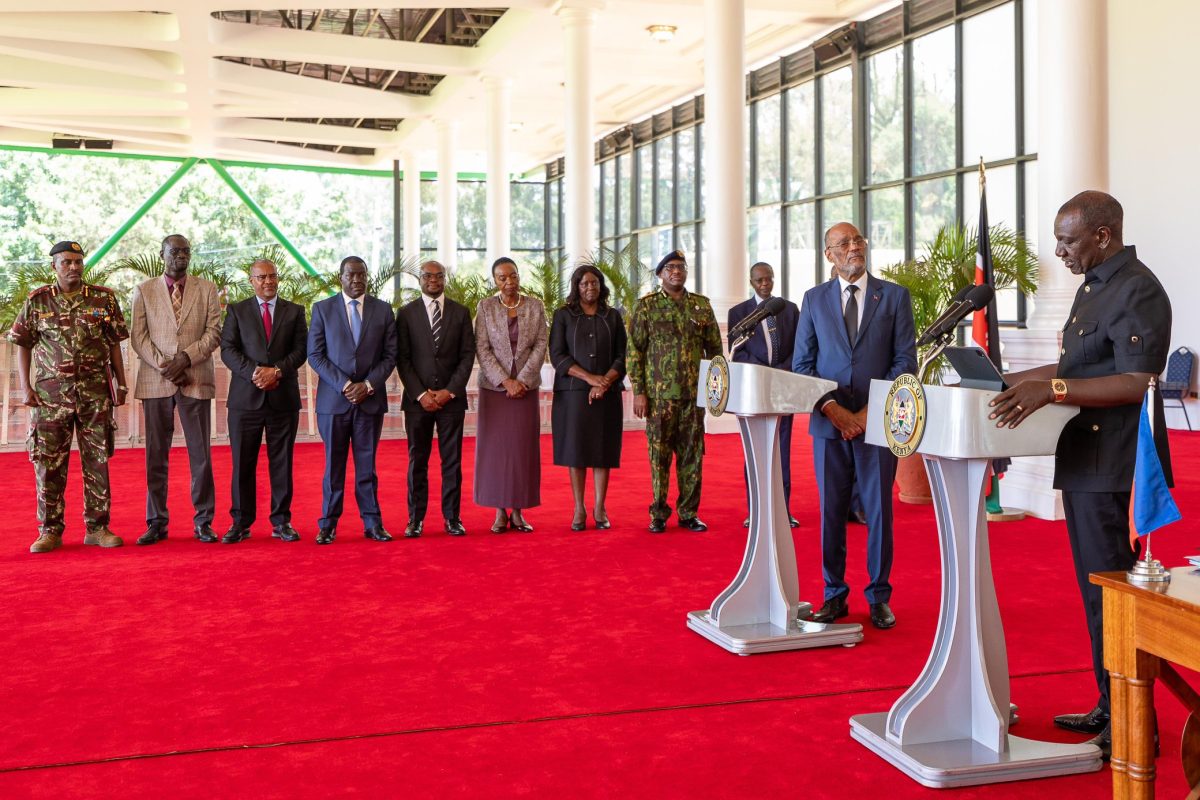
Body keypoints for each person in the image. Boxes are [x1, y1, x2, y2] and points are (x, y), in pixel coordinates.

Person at [988, 190, 1172, 758]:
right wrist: (1010, 380)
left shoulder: (1137, 288)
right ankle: (1110, 702)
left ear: (1102, 235)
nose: (1060, 251)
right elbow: (1076, 366)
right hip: (1083, 457)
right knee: (1095, 595)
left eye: (1068, 241)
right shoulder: (1094, 286)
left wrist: (1053, 389)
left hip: (1113, 461)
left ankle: (1135, 724)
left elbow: (1136, 381)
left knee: (1112, 596)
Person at [792, 223, 917, 629]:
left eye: (858, 240)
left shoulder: (894, 296)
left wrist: (865, 414)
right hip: (828, 424)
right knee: (831, 512)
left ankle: (879, 596)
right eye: (843, 243)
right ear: (829, 254)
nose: (853, 247)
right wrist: (835, 412)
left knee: (879, 511)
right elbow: (802, 365)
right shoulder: (813, 299)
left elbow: (904, 363)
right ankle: (834, 595)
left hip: (877, 425)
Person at [9, 241, 129, 552]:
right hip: (50, 397)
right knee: (48, 463)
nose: (73, 267)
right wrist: (25, 387)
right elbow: (22, 343)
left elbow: (115, 343)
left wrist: (122, 383)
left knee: (97, 460)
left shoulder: (103, 299)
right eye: (66, 262)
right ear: (54, 266)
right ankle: (49, 530)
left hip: (95, 394)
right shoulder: (38, 300)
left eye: (77, 261)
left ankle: (98, 528)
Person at [130, 233, 222, 544]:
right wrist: (166, 367)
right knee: (156, 455)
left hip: (195, 378)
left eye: (185, 251)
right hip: (156, 381)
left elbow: (213, 332)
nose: (180, 256)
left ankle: (204, 521)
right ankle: (156, 522)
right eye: (174, 251)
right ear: (162, 255)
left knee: (201, 455)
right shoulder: (143, 290)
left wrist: (185, 359)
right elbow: (138, 337)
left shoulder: (207, 289)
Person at [627, 250, 722, 533]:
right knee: (659, 457)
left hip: (694, 397)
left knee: (692, 455)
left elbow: (715, 351)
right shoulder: (647, 306)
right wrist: (639, 391)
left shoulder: (701, 306)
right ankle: (658, 513)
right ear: (660, 274)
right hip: (659, 398)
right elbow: (635, 351)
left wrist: (714, 391)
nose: (676, 271)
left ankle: (688, 513)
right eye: (670, 267)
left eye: (681, 266)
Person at [307, 256, 398, 545]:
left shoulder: (383, 310)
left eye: (362, 275)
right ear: (341, 277)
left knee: (367, 466)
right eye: (351, 275)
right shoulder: (322, 309)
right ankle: (328, 524)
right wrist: (346, 385)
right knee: (333, 466)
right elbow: (315, 355)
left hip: (369, 401)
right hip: (334, 402)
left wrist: (368, 385)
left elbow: (390, 356)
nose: (357, 280)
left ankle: (372, 523)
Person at [218, 258, 308, 544]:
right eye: (261, 277)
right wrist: (255, 372)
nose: (268, 281)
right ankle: (240, 522)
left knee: (282, 462)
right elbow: (227, 349)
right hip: (245, 400)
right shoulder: (237, 310)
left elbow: (301, 350)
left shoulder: (294, 311)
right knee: (242, 464)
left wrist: (276, 371)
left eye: (272, 276)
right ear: (252, 281)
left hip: (283, 398)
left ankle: (281, 521)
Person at [395, 260, 476, 538]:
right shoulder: (406, 313)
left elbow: (467, 355)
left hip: (451, 400)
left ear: (444, 279)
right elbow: (402, 358)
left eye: (439, 276)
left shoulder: (461, 312)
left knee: (451, 461)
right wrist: (420, 394)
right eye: (428, 276)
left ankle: (452, 518)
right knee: (417, 460)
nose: (434, 280)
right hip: (417, 401)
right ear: (420, 279)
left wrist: (449, 390)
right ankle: (415, 519)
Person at [549, 264, 628, 531]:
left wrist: (604, 382)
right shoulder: (563, 315)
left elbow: (622, 356)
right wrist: (589, 378)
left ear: (601, 286)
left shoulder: (613, 316)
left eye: (594, 283)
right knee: (577, 450)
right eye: (584, 283)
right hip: (573, 394)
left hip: (608, 392)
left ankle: (600, 507)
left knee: (603, 451)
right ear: (577, 287)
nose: (590, 287)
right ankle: (579, 508)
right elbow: (557, 356)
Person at [474, 257, 548, 533]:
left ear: (519, 276)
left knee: (521, 451)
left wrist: (522, 380)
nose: (508, 282)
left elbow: (541, 344)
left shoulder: (535, 306)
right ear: (494, 280)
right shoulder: (485, 307)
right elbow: (482, 348)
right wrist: (505, 381)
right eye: (502, 277)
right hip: (495, 391)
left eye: (513, 276)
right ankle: (499, 512)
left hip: (525, 390)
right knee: (495, 452)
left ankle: (518, 511)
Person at [728, 261, 800, 529]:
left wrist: (781, 371)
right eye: (759, 280)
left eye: (768, 278)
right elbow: (737, 351)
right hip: (754, 391)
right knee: (756, 452)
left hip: (783, 389)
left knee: (782, 452)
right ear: (751, 282)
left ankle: (783, 511)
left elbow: (800, 347)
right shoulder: (739, 313)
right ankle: (756, 511)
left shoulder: (789, 309)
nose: (765, 283)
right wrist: (763, 372)